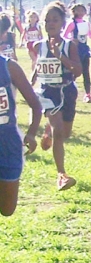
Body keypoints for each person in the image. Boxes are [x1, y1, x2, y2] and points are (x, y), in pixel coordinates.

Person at [32, 0, 82, 191]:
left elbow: (77, 71)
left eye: (54, 20)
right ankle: (61, 175)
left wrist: (59, 55)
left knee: (65, 133)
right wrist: (31, 81)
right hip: (47, 92)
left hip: (67, 91)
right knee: (59, 132)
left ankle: (49, 130)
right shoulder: (38, 46)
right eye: (46, 21)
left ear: (62, 23)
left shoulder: (70, 45)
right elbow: (39, 66)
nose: (50, 24)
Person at [0, 53, 42, 217]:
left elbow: (36, 105)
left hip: (7, 142)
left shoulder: (9, 67)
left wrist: (31, 133)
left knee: (7, 209)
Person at [63, 3, 91, 103]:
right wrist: (72, 39)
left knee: (86, 72)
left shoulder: (86, 23)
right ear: (74, 11)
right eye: (78, 10)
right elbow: (64, 35)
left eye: (82, 10)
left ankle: (88, 94)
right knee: (74, 72)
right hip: (75, 51)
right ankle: (68, 90)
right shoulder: (72, 23)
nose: (81, 12)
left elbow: (89, 36)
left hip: (84, 50)